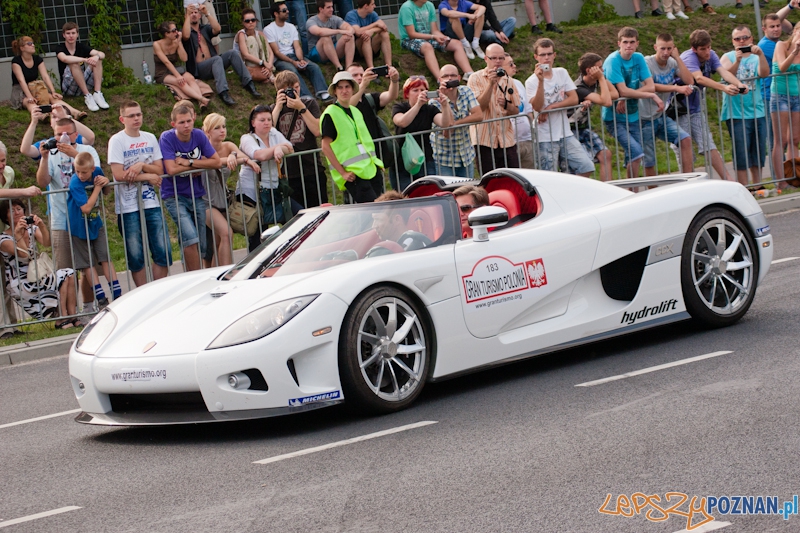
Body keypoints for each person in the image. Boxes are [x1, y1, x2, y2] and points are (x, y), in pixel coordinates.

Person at [35, 117, 102, 311]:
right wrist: (45, 158)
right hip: (61, 217)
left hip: (85, 216)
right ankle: (68, 314)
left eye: (67, 133)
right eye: (58, 134)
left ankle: (89, 307)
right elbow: (42, 181)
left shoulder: (87, 151)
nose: (63, 137)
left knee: (88, 265)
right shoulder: (51, 153)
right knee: (65, 269)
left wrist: (75, 154)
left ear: (75, 134)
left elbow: (97, 175)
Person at [108, 100, 172, 287]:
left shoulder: (150, 137)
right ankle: (143, 292)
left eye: (139, 114)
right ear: (122, 119)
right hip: (127, 205)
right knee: (135, 253)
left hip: (151, 202)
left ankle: (158, 291)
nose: (136, 118)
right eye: (131, 116)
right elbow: (119, 174)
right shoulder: (117, 140)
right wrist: (148, 176)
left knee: (163, 249)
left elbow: (159, 169)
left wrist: (142, 166)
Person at [160, 103, 221, 271]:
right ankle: (195, 276)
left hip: (196, 194)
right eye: (181, 122)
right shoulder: (167, 137)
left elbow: (216, 161)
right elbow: (171, 169)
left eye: (188, 121)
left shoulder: (199, 135)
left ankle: (190, 274)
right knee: (190, 236)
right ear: (173, 124)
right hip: (174, 195)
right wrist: (199, 166)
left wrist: (190, 162)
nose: (186, 125)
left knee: (198, 242)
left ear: (193, 120)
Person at [0, 199, 78, 328]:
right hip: (20, 281)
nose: (17, 213)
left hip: (37, 274)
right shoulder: (3, 239)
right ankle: (61, 318)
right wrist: (18, 233)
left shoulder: (31, 229)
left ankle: (72, 316)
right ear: (5, 217)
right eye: (11, 211)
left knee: (69, 273)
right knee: (60, 279)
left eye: (19, 209)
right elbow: (23, 255)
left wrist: (41, 225)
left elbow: (47, 243)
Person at [680, 29, 743, 182]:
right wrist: (724, 88)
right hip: (678, 109)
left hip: (695, 107)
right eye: (703, 49)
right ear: (694, 49)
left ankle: (728, 180)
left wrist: (739, 84)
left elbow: (723, 72)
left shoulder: (712, 54)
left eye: (709, 47)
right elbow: (699, 79)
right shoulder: (689, 57)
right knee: (684, 149)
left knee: (708, 143)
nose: (707, 52)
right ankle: (686, 186)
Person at [527, 38, 595, 177]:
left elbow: (574, 98)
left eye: (549, 54)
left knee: (586, 165)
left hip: (565, 133)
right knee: (549, 176)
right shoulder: (531, 81)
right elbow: (537, 106)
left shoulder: (561, 73)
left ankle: (572, 193)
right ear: (536, 57)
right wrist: (541, 81)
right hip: (544, 136)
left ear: (554, 55)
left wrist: (552, 107)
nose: (546, 58)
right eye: (542, 55)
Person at [237, 105, 300, 251]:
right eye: (262, 120)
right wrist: (277, 148)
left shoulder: (274, 133)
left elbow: (290, 147)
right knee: (258, 236)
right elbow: (259, 155)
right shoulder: (247, 138)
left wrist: (280, 148)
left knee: (297, 216)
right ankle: (254, 268)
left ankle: (285, 253)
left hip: (274, 188)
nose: (266, 123)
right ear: (253, 122)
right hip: (253, 192)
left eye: (269, 119)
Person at [602, 27, 661, 178]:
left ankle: (631, 190)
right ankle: (631, 189)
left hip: (633, 114)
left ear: (637, 43)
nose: (629, 45)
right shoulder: (613, 60)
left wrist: (628, 95)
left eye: (632, 42)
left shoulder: (639, 57)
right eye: (625, 42)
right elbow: (622, 90)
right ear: (619, 44)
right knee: (636, 152)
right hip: (615, 117)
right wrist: (650, 96)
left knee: (634, 156)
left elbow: (650, 85)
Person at [320, 71, 384, 202]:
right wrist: (342, 172)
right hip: (353, 174)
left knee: (380, 210)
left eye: (347, 87)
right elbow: (325, 146)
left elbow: (364, 140)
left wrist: (376, 163)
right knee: (371, 212)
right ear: (335, 91)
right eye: (340, 87)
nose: (344, 91)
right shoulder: (330, 113)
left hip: (370, 169)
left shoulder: (355, 111)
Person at [182, 3, 261, 106]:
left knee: (232, 53)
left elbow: (217, 29)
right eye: (191, 13)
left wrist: (207, 13)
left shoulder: (204, 28)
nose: (193, 15)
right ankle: (223, 92)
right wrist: (186, 16)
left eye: (195, 12)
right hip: (199, 69)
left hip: (215, 64)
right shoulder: (185, 30)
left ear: (199, 16)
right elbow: (186, 36)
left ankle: (249, 83)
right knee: (216, 59)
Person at [67, 152, 120, 307]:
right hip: (78, 225)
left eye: (84, 172)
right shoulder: (75, 183)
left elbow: (106, 190)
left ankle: (117, 292)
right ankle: (100, 296)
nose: (81, 175)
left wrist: (106, 181)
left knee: (105, 256)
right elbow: (86, 208)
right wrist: (97, 188)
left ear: (92, 169)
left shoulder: (97, 172)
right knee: (87, 262)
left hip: (95, 223)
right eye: (77, 171)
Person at [270, 71, 329, 208]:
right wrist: (278, 108)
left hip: (312, 168)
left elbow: (317, 130)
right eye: (287, 90)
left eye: (296, 88)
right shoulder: (274, 110)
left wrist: (301, 108)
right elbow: (268, 135)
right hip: (289, 173)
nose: (293, 92)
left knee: (319, 211)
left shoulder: (309, 104)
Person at [720, 25, 770, 186]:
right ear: (732, 41)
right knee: (741, 153)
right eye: (737, 39)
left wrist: (761, 54)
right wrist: (738, 60)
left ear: (751, 39)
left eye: (745, 38)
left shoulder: (756, 57)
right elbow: (727, 76)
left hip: (757, 111)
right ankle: (745, 187)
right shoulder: (726, 57)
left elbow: (764, 73)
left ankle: (758, 185)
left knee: (758, 151)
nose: (742, 41)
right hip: (736, 113)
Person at [640, 33, 694, 176]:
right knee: (649, 160)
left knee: (685, 139)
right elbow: (651, 85)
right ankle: (652, 193)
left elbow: (690, 80)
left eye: (669, 49)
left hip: (660, 116)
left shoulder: (672, 62)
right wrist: (675, 87)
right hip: (643, 119)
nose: (665, 53)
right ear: (655, 47)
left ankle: (689, 181)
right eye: (662, 49)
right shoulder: (646, 62)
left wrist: (677, 58)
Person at [392, 76, 454, 189]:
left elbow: (445, 124)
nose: (419, 93)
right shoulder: (399, 107)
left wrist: (445, 106)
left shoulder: (430, 109)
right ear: (407, 93)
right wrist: (418, 105)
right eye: (415, 90)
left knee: (428, 191)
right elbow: (402, 122)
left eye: (422, 90)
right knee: (404, 195)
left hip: (425, 159)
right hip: (402, 161)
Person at [202, 113, 247, 267]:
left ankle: (214, 276)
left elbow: (243, 158)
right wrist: (226, 159)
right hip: (205, 201)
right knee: (226, 233)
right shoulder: (201, 149)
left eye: (223, 126)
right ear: (208, 132)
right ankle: (227, 272)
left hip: (222, 199)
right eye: (217, 128)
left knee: (219, 241)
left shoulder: (228, 146)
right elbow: (208, 163)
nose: (222, 130)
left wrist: (233, 155)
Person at [468, 43, 520, 172]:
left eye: (501, 58)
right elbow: (479, 108)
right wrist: (491, 84)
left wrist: (507, 105)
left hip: (506, 140)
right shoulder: (475, 78)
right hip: (484, 140)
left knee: (513, 178)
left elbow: (516, 110)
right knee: (489, 181)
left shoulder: (508, 80)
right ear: (486, 59)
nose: (498, 61)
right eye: (494, 58)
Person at [266, 2, 333, 102]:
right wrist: (294, 62)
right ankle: (306, 97)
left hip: (294, 56)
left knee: (313, 67)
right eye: (284, 10)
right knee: (292, 71)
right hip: (280, 59)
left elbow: (297, 46)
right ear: (276, 14)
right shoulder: (269, 29)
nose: (287, 12)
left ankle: (323, 92)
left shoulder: (291, 27)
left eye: (287, 9)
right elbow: (276, 52)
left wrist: (301, 60)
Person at [398, 0, 474, 80]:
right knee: (427, 46)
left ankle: (470, 74)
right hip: (408, 40)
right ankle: (440, 79)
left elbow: (434, 30)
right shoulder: (407, 7)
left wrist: (444, 38)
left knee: (457, 43)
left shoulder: (430, 5)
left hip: (429, 37)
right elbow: (411, 34)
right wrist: (433, 37)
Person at [10, 36, 84, 118]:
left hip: (34, 87)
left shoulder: (37, 59)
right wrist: (30, 96)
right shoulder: (16, 61)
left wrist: (53, 91)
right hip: (20, 90)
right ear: (22, 48)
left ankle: (75, 112)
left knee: (53, 98)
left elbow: (45, 76)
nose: (33, 45)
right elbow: (21, 80)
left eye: (33, 43)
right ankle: (41, 116)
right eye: (29, 44)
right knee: (29, 102)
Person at [348, 63, 401, 174]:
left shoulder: (369, 98)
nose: (359, 77)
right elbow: (348, 107)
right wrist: (362, 85)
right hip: (354, 158)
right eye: (355, 75)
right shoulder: (341, 102)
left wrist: (394, 80)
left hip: (374, 155)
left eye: (361, 74)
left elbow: (391, 96)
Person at [572, 53, 617, 181]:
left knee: (605, 154)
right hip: (570, 129)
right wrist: (602, 79)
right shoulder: (579, 87)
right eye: (600, 68)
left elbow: (615, 94)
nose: (602, 71)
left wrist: (601, 79)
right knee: (585, 164)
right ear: (589, 70)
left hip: (583, 128)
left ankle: (607, 190)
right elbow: (607, 102)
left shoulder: (596, 81)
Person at [431, 64, 482, 176]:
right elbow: (448, 131)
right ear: (440, 80)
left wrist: (456, 123)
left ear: (458, 78)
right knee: (448, 193)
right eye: (446, 76)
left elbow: (479, 115)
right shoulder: (434, 101)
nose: (449, 79)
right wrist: (444, 99)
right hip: (445, 158)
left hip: (466, 155)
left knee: (468, 190)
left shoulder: (466, 91)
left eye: (453, 76)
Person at [153, 21, 212, 110]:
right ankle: (201, 98)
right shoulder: (157, 44)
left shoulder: (175, 42)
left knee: (190, 78)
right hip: (162, 72)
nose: (176, 32)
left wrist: (179, 42)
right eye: (173, 31)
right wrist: (178, 76)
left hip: (175, 69)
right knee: (181, 82)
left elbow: (184, 58)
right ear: (166, 34)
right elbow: (166, 62)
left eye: (176, 29)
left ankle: (201, 103)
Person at [770, 21, 800, 188]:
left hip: (797, 96)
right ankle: (781, 182)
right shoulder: (781, 45)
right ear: (794, 32)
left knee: (794, 139)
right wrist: (794, 51)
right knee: (780, 140)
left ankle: (794, 178)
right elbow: (781, 68)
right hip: (780, 96)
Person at [55, 22, 108, 112]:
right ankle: (87, 96)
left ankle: (97, 93)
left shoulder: (81, 46)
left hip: (82, 81)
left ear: (77, 34)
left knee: (97, 60)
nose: (71, 36)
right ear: (64, 35)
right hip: (69, 87)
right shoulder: (60, 48)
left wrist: (96, 57)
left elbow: (102, 54)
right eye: (68, 33)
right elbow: (64, 59)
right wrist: (84, 59)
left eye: (73, 33)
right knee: (74, 63)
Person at [20, 104, 95, 162]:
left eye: (60, 117)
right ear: (50, 122)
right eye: (54, 117)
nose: (57, 120)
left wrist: (66, 117)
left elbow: (91, 137)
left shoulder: (75, 138)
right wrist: (33, 122)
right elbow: (25, 150)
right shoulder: (48, 143)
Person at [307, 0, 356, 71]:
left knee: (349, 37)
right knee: (325, 38)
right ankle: (339, 67)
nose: (332, 10)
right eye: (328, 7)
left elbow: (350, 28)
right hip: (317, 53)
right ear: (321, 9)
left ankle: (349, 68)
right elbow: (319, 32)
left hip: (332, 50)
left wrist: (348, 32)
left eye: (332, 7)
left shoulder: (334, 19)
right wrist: (339, 31)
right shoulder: (311, 21)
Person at [345, 0, 392, 69]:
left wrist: (371, 31)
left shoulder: (373, 14)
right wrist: (375, 24)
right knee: (365, 37)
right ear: (366, 6)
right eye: (372, 4)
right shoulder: (351, 15)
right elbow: (358, 32)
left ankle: (389, 67)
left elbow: (384, 27)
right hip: (356, 49)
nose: (374, 6)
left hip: (370, 46)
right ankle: (371, 68)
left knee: (384, 34)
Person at [505, 56, 533, 169]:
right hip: (510, 143)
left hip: (527, 140)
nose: (514, 66)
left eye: (514, 63)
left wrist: (532, 132)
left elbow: (528, 110)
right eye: (510, 64)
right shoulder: (496, 86)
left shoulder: (518, 83)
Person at [235, 8, 276, 85]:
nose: (250, 22)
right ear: (243, 23)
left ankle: (267, 73)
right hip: (247, 64)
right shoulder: (241, 34)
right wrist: (262, 62)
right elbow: (245, 55)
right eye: (247, 21)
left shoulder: (260, 34)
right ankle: (267, 75)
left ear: (256, 21)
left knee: (261, 40)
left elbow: (270, 52)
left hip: (263, 63)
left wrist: (269, 65)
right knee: (251, 39)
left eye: (253, 20)